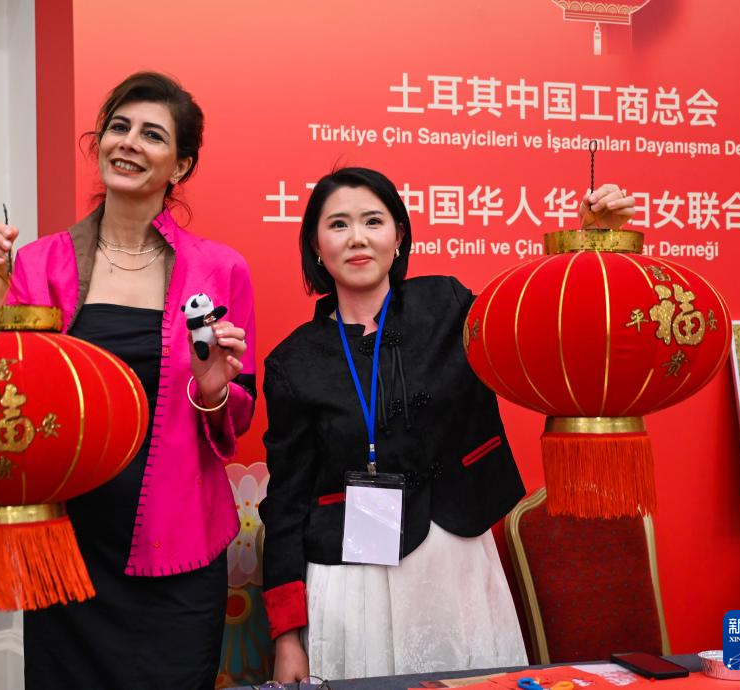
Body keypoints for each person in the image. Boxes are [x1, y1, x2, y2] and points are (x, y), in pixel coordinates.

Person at [259, 167, 635, 681]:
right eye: (339, 224)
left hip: (456, 561)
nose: (358, 238)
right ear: (315, 246)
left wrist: (592, 245)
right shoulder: (294, 364)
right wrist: (287, 637)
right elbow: (284, 506)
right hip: (353, 583)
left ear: (399, 236)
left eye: (373, 221)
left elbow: (544, 326)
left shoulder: (449, 305)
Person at [0, 72, 256, 690]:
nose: (128, 142)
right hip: (71, 545)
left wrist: (212, 388)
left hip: (178, 545)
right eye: (118, 127)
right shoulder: (40, 261)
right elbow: (8, 395)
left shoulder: (220, 268)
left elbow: (237, 418)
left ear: (181, 165)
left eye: (152, 134)